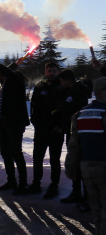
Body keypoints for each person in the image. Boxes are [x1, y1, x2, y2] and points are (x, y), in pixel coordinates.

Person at [65, 78, 106, 235]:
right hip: (104, 167)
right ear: (102, 93)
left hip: (87, 169)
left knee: (96, 208)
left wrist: (70, 167)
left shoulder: (80, 114)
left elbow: (74, 145)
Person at [0, 55, 30, 194]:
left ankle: (23, 183)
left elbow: (11, 73)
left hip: (15, 123)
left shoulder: (15, 80)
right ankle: (11, 180)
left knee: (16, 153)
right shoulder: (4, 86)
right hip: (3, 123)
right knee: (6, 153)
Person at [29, 62, 65, 198]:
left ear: (58, 72)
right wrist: (34, 121)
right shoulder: (39, 86)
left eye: (54, 71)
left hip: (56, 130)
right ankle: (36, 183)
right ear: (45, 72)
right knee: (37, 158)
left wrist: (60, 126)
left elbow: (65, 109)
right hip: (41, 129)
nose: (51, 73)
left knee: (54, 160)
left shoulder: (62, 88)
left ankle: (54, 185)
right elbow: (33, 105)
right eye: (49, 71)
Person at [58, 69, 89, 204]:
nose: (61, 84)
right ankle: (77, 192)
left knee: (79, 163)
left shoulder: (77, 91)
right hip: (73, 131)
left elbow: (70, 110)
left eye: (62, 81)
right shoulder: (73, 90)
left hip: (78, 133)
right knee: (75, 163)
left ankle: (86, 196)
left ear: (68, 80)